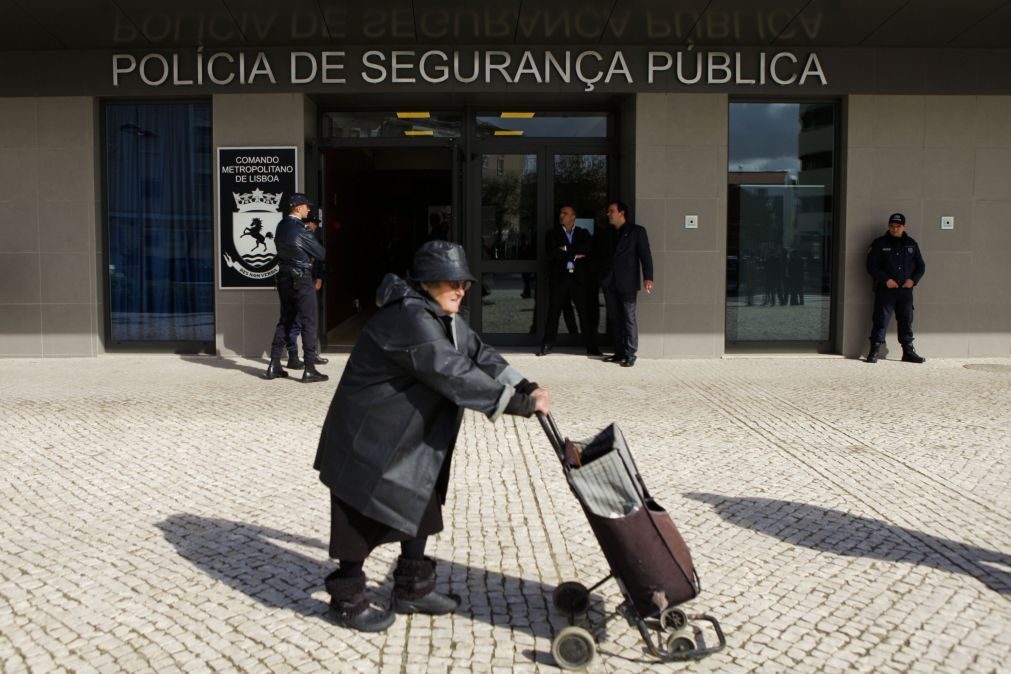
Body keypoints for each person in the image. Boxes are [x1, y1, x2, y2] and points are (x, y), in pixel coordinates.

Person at [313, 240, 551, 633]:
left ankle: (412, 589)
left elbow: (478, 353)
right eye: (449, 282)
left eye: (464, 282)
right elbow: (452, 372)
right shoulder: (410, 317)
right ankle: (347, 600)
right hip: (367, 438)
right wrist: (521, 405)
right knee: (358, 519)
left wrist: (525, 384)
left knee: (419, 502)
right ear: (425, 283)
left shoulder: (442, 314)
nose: (460, 289)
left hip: (404, 436)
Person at [265, 193, 328, 383]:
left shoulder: (281, 226)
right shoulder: (302, 229)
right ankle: (309, 367)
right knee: (309, 320)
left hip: (283, 278)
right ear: (297, 208)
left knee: (285, 319)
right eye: (306, 206)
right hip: (301, 279)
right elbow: (321, 253)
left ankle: (274, 364)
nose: (308, 209)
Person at [538, 205, 601, 356]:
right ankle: (547, 344)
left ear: (573, 217)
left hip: (578, 281)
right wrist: (573, 255)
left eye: (565, 213)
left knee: (584, 314)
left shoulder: (583, 233)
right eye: (560, 213)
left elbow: (587, 248)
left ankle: (591, 346)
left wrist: (565, 249)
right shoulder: (552, 234)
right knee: (554, 313)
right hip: (560, 280)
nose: (561, 215)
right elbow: (553, 253)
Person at [598, 200, 654, 367]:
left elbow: (645, 256)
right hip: (609, 282)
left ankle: (630, 354)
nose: (608, 214)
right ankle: (619, 352)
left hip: (627, 282)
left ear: (622, 213)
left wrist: (648, 277)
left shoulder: (637, 231)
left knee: (629, 317)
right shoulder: (607, 233)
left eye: (611, 211)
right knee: (614, 318)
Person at [865, 212, 926, 364]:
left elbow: (921, 266)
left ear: (904, 226)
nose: (894, 229)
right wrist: (886, 280)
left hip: (905, 291)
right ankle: (874, 350)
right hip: (886, 289)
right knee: (881, 319)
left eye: (898, 226)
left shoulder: (911, 244)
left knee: (906, 319)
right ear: (889, 226)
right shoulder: (880, 243)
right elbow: (871, 265)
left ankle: (908, 352)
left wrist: (913, 280)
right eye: (892, 226)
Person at [284, 210, 328, 370]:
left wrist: (319, 278)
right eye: (314, 224)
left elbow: (319, 261)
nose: (316, 227)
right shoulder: (299, 236)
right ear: (308, 223)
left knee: (310, 320)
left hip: (310, 282)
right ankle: (293, 356)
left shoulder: (314, 238)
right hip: (299, 282)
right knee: (296, 321)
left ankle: (311, 355)